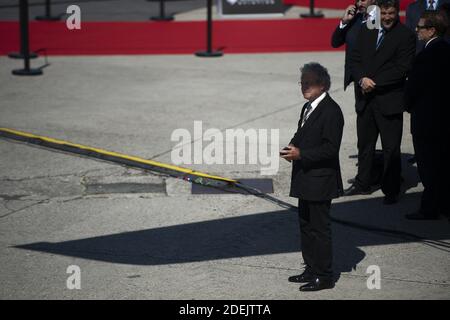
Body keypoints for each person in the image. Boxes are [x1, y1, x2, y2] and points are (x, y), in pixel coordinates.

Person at [345, 0, 416, 205]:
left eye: (391, 13)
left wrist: (372, 83)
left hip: (389, 100)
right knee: (364, 145)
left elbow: (402, 68)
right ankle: (363, 183)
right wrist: (361, 79)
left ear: (397, 12)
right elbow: (355, 59)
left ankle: (391, 189)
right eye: (383, 12)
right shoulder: (367, 30)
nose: (386, 17)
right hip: (366, 99)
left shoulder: (406, 36)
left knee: (390, 148)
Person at [281, 63, 344, 292]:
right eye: (302, 83)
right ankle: (311, 268)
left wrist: (301, 154)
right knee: (306, 226)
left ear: (323, 84)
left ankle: (324, 276)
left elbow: (330, 149)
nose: (305, 87)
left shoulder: (331, 111)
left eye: (309, 83)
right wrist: (291, 147)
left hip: (320, 181)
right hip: (305, 178)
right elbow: (301, 133)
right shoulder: (308, 107)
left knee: (319, 229)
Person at [331, 0, 383, 187]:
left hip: (378, 84)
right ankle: (365, 178)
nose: (360, 2)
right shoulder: (355, 19)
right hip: (360, 85)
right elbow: (335, 41)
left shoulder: (378, 18)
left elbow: (371, 47)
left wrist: (373, 13)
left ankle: (389, 179)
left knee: (385, 135)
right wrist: (345, 21)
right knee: (364, 133)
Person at [404, 11, 450, 220]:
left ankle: (429, 208)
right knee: (443, 164)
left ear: (431, 30)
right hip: (444, 120)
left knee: (428, 167)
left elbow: (413, 88)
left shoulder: (424, 56)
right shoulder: (447, 50)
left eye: (420, 27)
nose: (417, 30)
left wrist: (407, 105)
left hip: (426, 121)